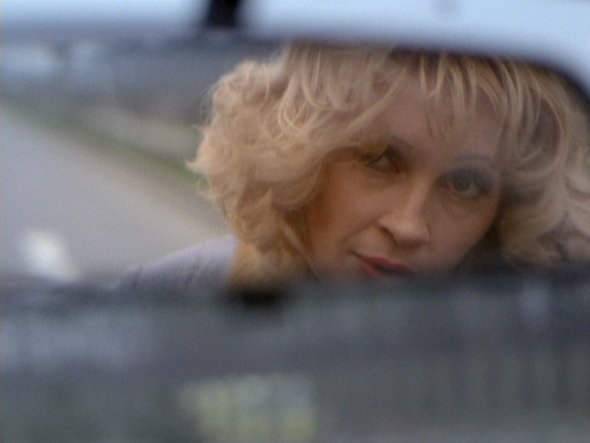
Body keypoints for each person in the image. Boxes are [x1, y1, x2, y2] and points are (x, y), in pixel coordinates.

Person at [123, 43, 590, 292]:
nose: (409, 225)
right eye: (381, 160)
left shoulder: (528, 372)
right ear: (300, 155)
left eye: (465, 184)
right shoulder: (165, 301)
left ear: (508, 212)